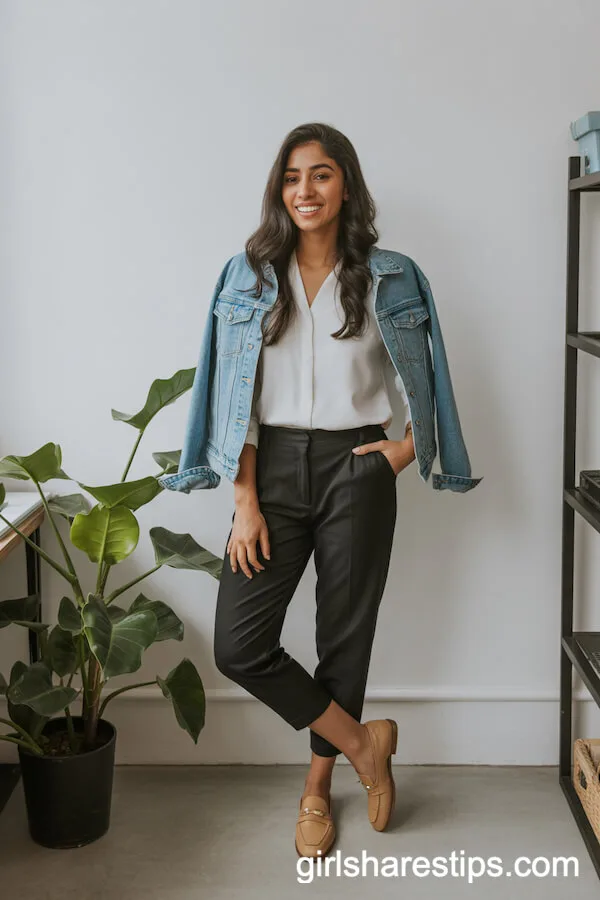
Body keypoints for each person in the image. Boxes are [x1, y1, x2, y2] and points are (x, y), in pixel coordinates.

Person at [212, 122, 419, 858]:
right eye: (293, 176)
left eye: (322, 174)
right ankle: (367, 745)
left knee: (344, 635)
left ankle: (316, 786)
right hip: (267, 471)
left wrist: (398, 453)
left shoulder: (391, 275)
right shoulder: (246, 276)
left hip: (355, 465)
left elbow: (433, 387)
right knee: (239, 645)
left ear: (347, 186)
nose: (306, 189)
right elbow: (230, 398)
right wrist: (244, 499)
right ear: (280, 189)